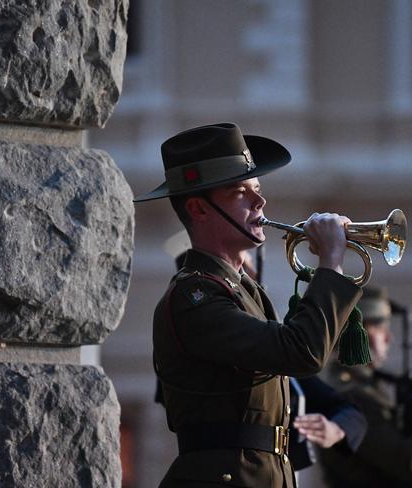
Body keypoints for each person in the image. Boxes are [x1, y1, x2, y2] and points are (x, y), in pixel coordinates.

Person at [134, 122, 362, 487]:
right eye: (241, 192)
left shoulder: (243, 292)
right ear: (200, 209)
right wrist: (331, 266)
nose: (261, 202)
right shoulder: (195, 297)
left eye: (258, 189)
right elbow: (301, 351)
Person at [320, 286, 412, 487]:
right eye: (379, 327)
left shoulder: (365, 387)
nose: (389, 338)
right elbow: (407, 462)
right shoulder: (351, 396)